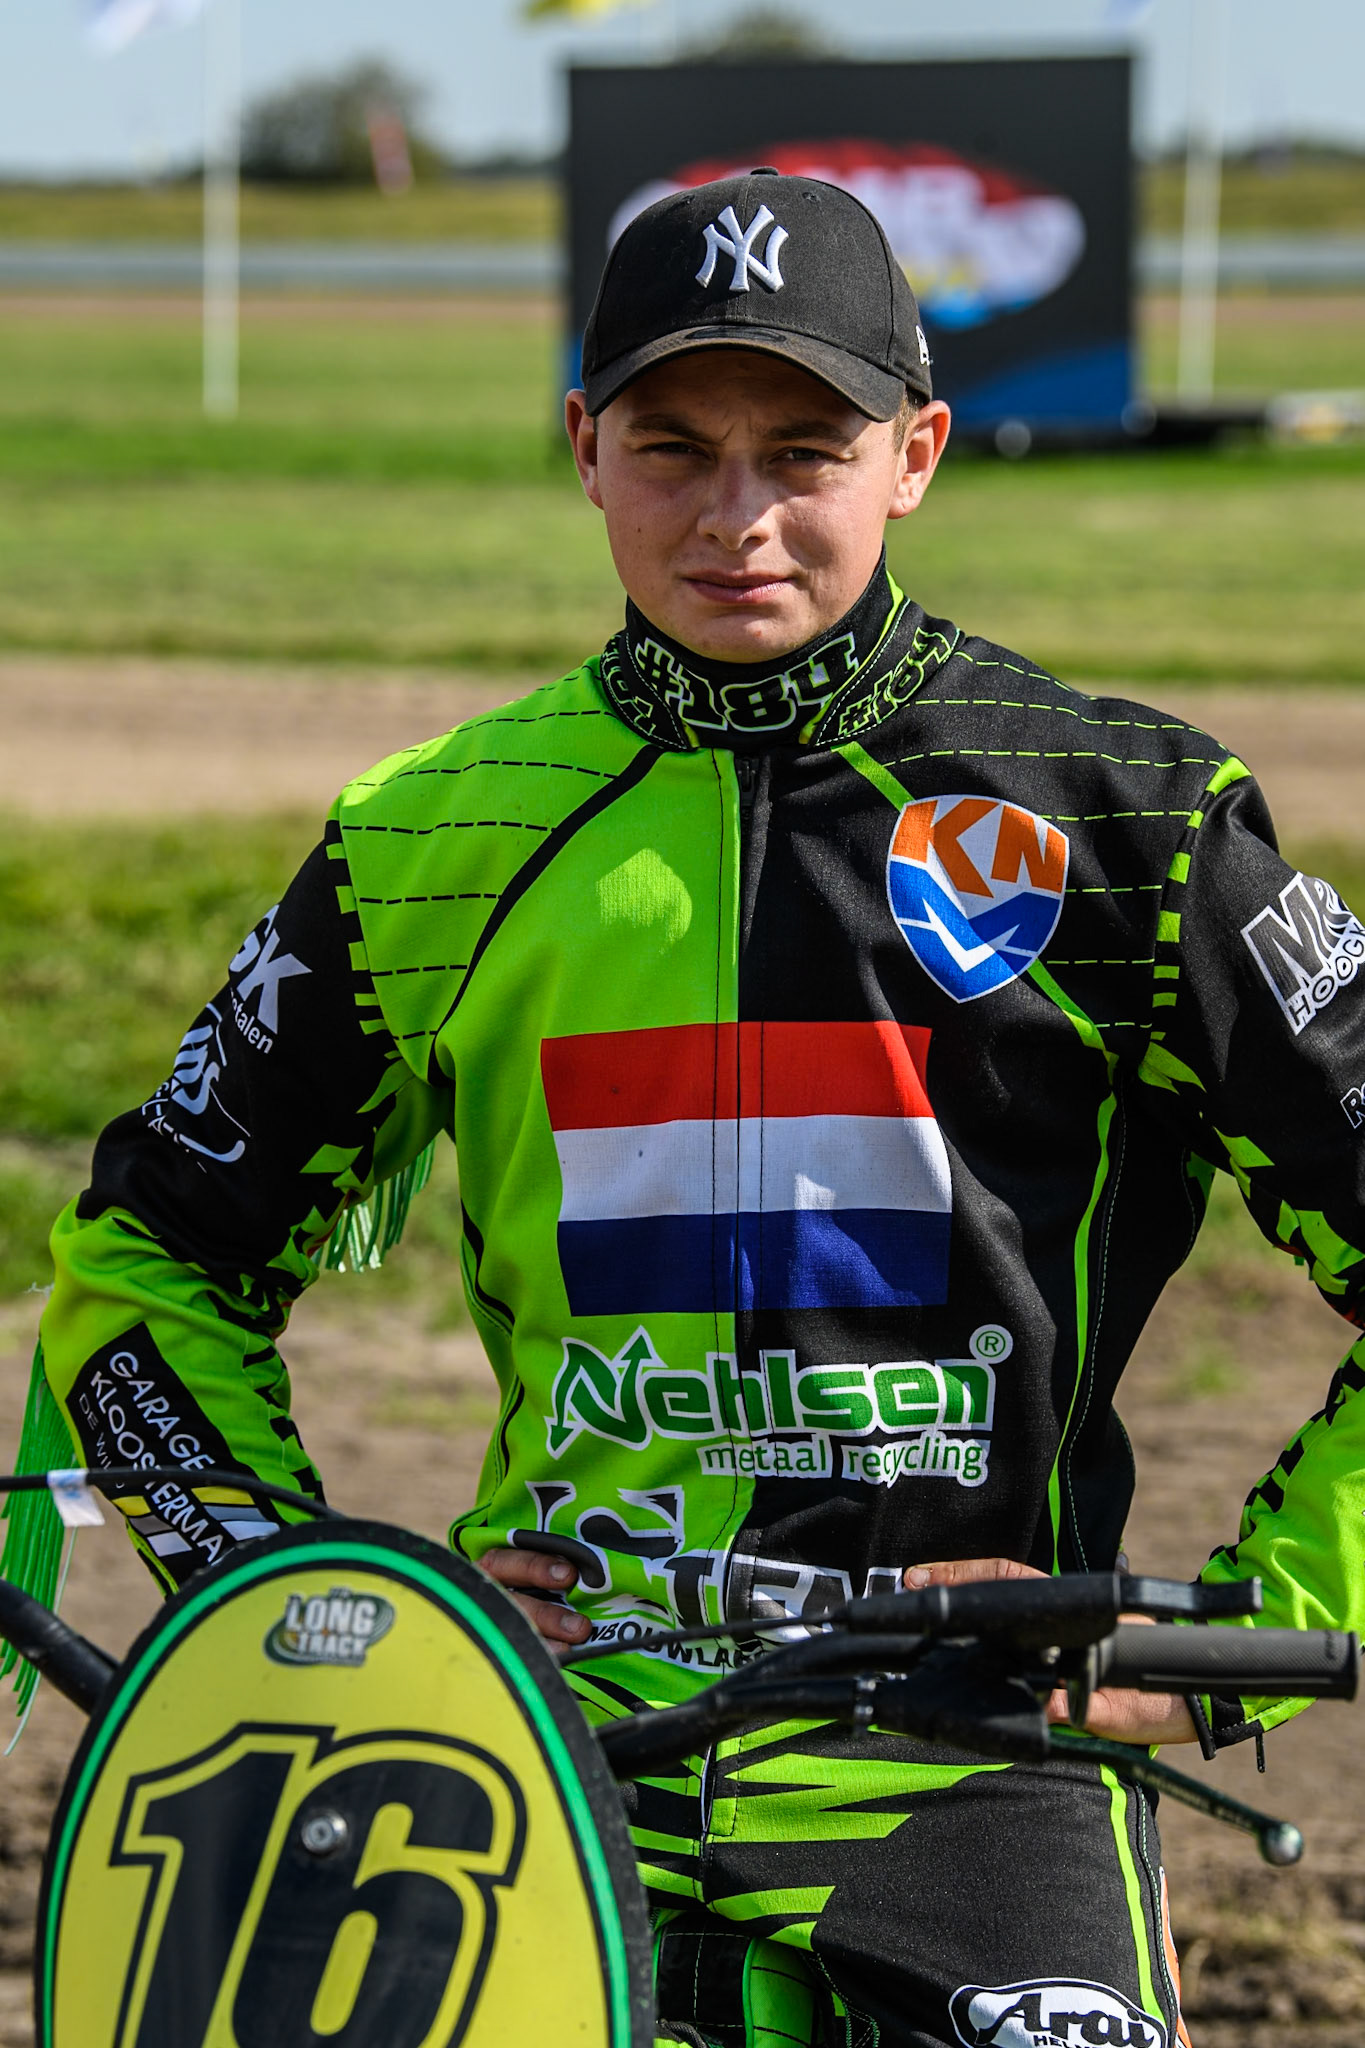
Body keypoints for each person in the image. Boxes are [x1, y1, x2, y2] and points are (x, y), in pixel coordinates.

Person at [25, 170, 1365, 2047]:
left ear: (916, 451)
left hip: (974, 1765)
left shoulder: (1125, 818)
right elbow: (145, 1262)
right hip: (531, 1754)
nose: (737, 517)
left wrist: (1206, 1661)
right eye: (673, 446)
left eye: (802, 450)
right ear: (583, 447)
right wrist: (302, 1607)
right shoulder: (436, 832)